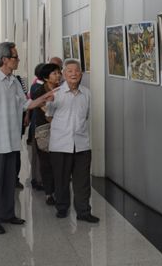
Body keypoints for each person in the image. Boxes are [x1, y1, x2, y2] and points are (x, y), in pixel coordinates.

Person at [0, 42, 54, 234]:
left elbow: (25, 104)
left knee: (9, 181)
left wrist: (44, 98)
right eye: (15, 57)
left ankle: (8, 213)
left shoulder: (14, 81)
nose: (18, 60)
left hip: (10, 140)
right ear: (5, 59)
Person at [46, 59, 99, 223]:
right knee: (61, 179)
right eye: (69, 71)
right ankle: (62, 208)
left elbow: (87, 116)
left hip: (82, 144)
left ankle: (83, 211)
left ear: (81, 74)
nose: (74, 74)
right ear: (63, 74)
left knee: (82, 181)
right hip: (60, 144)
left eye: (76, 71)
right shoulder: (55, 94)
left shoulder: (87, 93)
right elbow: (49, 116)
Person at [32, 63, 61, 205]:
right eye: (54, 73)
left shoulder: (62, 90)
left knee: (59, 161)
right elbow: (47, 112)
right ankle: (49, 192)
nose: (58, 76)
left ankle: (58, 190)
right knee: (46, 162)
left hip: (61, 129)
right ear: (46, 77)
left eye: (58, 73)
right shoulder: (39, 92)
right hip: (44, 129)